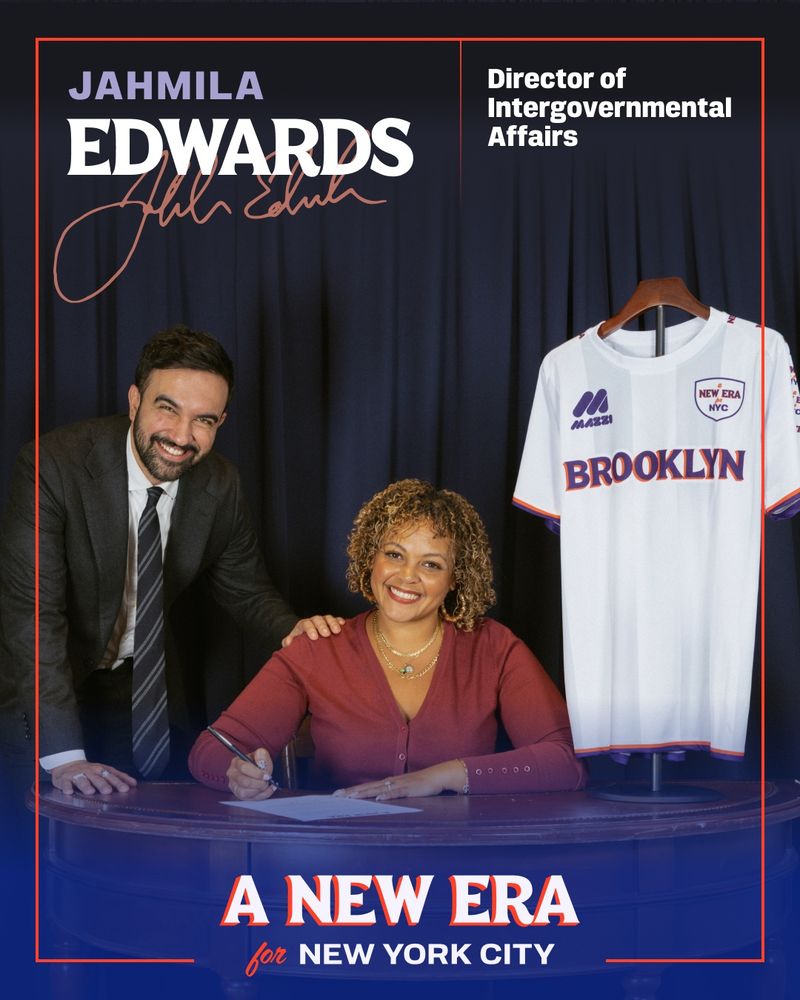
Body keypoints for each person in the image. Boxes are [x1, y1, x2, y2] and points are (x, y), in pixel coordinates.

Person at [0, 325, 342, 798]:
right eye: (168, 408)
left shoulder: (222, 484)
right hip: (40, 694)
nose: (182, 437)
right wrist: (64, 757)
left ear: (221, 421)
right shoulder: (52, 466)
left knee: (143, 842)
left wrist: (292, 630)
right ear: (135, 400)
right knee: (42, 851)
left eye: (204, 420)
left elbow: (244, 587)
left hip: (140, 699)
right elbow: (33, 616)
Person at [190, 479, 585, 799]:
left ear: (455, 579)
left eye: (431, 564)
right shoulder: (318, 647)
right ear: (370, 558)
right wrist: (236, 775)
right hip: (339, 872)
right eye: (395, 555)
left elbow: (565, 761)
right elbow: (209, 751)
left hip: (460, 868)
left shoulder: (494, 648)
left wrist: (447, 775)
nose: (407, 576)